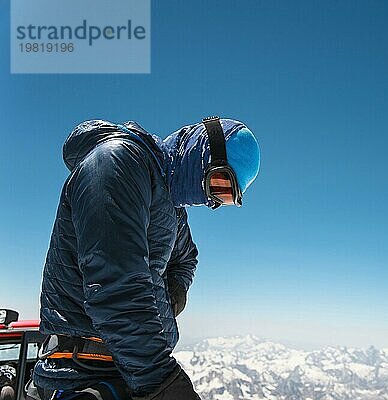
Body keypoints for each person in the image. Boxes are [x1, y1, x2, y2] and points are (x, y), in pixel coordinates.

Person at [31, 117, 260, 400]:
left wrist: (173, 293)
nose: (212, 200)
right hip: (82, 370)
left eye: (224, 198)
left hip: (128, 367)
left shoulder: (173, 210)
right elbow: (115, 286)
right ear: (202, 150)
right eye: (219, 183)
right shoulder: (117, 163)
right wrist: (162, 381)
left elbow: (186, 258)